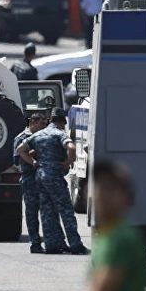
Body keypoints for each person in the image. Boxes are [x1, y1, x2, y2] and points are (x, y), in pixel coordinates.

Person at [12, 160, 146, 291]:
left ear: (127, 199)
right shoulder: (105, 238)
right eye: (99, 185)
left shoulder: (121, 240)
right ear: (87, 193)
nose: (103, 194)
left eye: (112, 189)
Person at [17, 108, 89, 255]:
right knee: (66, 211)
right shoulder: (59, 133)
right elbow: (71, 147)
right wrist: (69, 162)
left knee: (47, 211)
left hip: (40, 176)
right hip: (54, 176)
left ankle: (51, 245)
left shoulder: (38, 135)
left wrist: (33, 162)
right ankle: (75, 244)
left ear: (50, 120)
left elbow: (20, 150)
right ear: (63, 122)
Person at [13, 114, 61, 254]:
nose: (44, 126)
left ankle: (55, 242)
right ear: (33, 122)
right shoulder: (22, 138)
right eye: (41, 123)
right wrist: (36, 152)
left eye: (45, 124)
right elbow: (17, 160)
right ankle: (35, 243)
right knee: (32, 212)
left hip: (45, 178)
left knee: (50, 211)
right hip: (30, 179)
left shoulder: (45, 136)